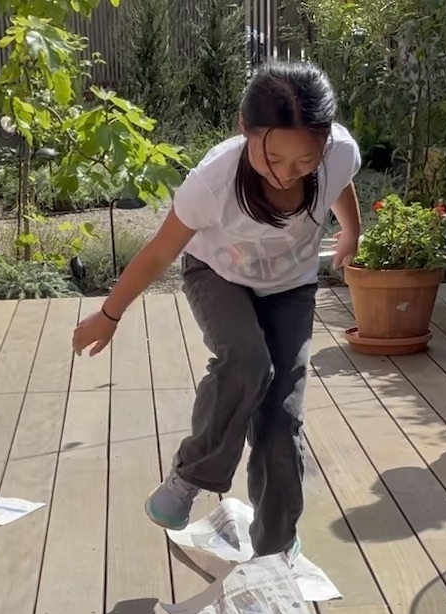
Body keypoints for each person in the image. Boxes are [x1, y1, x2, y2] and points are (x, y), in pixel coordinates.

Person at [72, 61, 361, 559]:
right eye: (274, 158)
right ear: (245, 130)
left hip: (291, 289)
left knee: (279, 419)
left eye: (304, 161)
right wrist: (110, 314)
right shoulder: (214, 180)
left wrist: (351, 230)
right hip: (218, 276)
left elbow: (340, 182)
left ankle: (275, 550)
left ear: (325, 143)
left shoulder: (339, 154)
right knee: (248, 361)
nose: (287, 172)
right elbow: (160, 251)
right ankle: (190, 476)